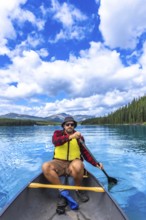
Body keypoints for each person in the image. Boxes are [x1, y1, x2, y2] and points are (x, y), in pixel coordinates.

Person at [42, 116, 103, 213]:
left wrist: (95, 164)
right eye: (67, 124)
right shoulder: (57, 134)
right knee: (45, 166)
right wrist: (70, 137)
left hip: (73, 163)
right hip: (59, 163)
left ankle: (78, 189)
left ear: (74, 126)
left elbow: (85, 153)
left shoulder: (79, 137)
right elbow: (55, 142)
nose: (70, 126)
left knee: (79, 165)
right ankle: (62, 191)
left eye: (72, 124)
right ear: (64, 126)